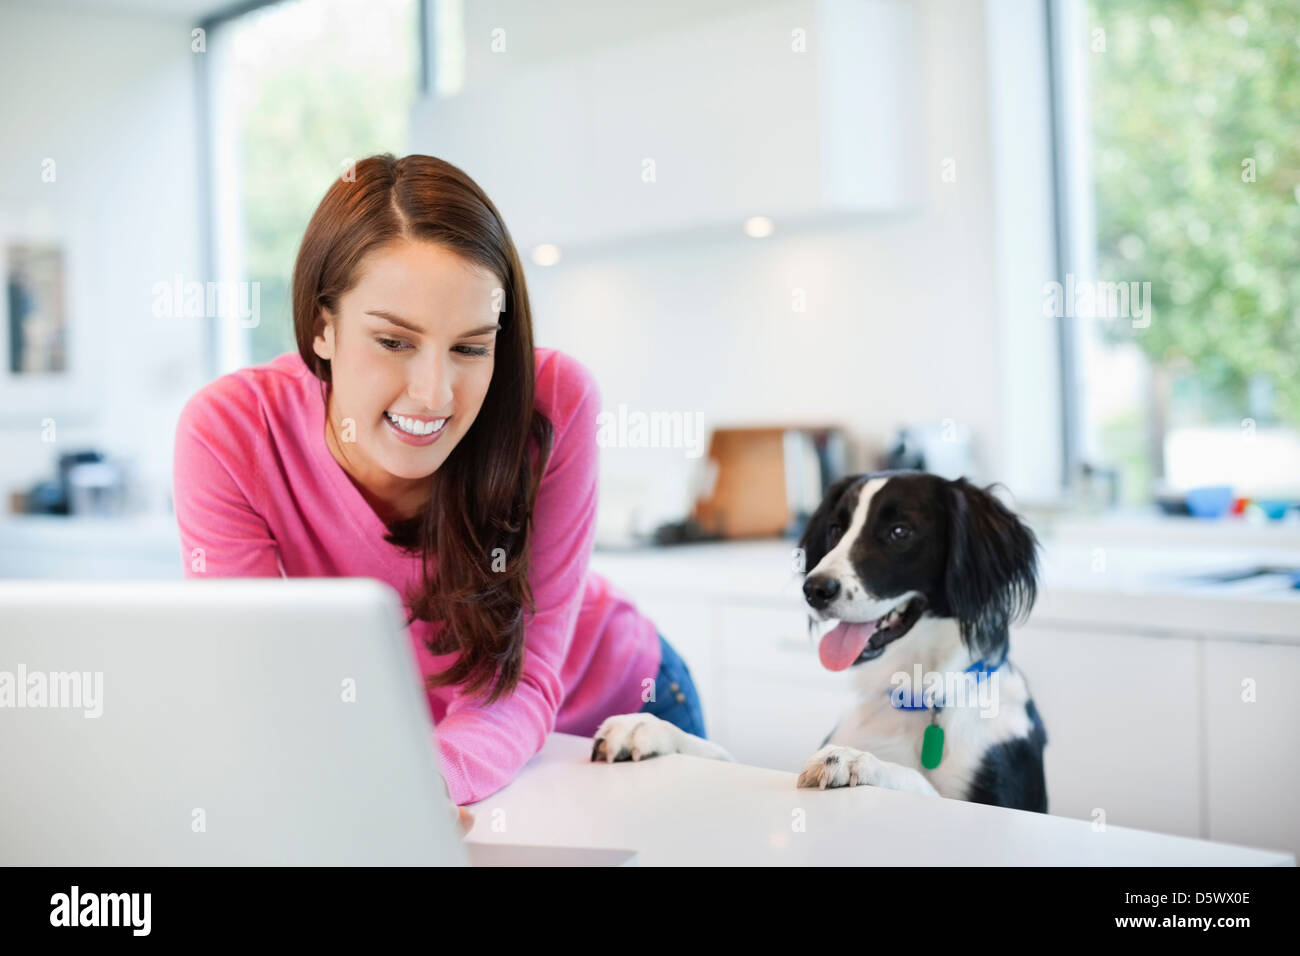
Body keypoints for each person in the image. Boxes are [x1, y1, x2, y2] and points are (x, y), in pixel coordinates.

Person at [172, 154, 707, 820]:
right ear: (321, 326)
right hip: (427, 755)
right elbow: (255, 684)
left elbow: (523, 682)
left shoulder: (554, 405)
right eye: (394, 341)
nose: (434, 394)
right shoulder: (231, 432)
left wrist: (415, 783)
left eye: (470, 347)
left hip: (618, 715)